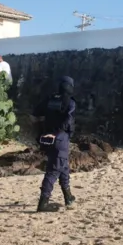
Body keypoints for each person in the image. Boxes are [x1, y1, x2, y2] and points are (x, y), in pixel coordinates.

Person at [33, 76, 77, 212]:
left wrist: (41, 131)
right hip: (60, 139)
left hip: (48, 140)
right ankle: (43, 203)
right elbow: (68, 120)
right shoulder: (70, 102)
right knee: (53, 171)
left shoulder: (49, 99)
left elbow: (35, 113)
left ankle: (68, 197)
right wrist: (57, 133)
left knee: (63, 167)